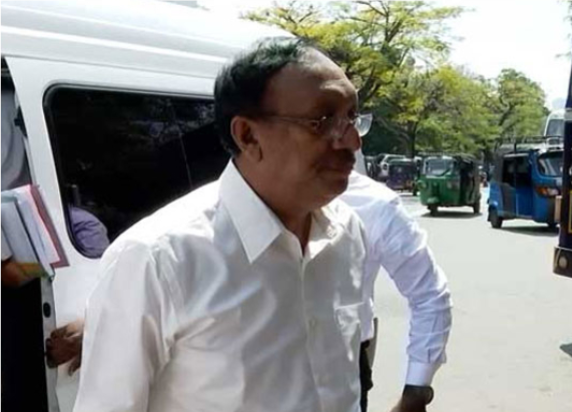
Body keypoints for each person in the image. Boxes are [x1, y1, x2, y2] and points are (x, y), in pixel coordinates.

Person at [72, 37, 370, 412]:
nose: (351, 141)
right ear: (248, 135)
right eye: (322, 121)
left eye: (351, 118)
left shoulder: (346, 233)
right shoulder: (159, 258)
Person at [340, 164, 452, 412]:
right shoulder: (251, 204)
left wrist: (415, 392)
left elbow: (429, 294)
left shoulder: (372, 204)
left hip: (344, 370)